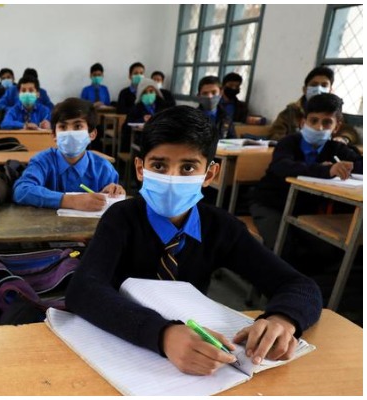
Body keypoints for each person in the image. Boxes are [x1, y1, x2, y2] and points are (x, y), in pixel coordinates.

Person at [66, 105, 322, 376]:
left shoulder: (220, 227)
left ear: (209, 175)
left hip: (193, 353)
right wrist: (163, 334)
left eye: (188, 167)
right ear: (140, 168)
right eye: (159, 165)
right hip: (118, 341)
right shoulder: (121, 218)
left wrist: (282, 319)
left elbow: (300, 285)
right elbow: (83, 290)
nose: (172, 178)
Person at [250, 93, 362, 257]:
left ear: (336, 127)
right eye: (314, 121)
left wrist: (352, 165)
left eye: (327, 122)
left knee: (325, 249)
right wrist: (326, 170)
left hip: (305, 211)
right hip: (271, 204)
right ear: (303, 122)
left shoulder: (336, 149)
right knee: (282, 245)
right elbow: (283, 167)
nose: (319, 127)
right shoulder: (288, 143)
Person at [13, 98, 124, 210]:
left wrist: (115, 193)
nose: (70, 133)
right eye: (63, 127)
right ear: (54, 135)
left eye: (78, 126)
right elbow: (21, 190)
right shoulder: (42, 161)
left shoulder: (104, 169)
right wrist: (71, 200)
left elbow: (113, 209)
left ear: (92, 134)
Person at [268, 66, 359, 145]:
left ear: (331, 90)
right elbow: (275, 135)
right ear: (305, 89)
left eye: (324, 85)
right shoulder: (291, 111)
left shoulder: (333, 112)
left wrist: (343, 139)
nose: (319, 89)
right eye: (314, 85)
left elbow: (349, 132)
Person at [120, 77, 172, 149]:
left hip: (160, 136)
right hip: (140, 137)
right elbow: (127, 124)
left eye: (151, 91)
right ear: (140, 94)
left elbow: (169, 120)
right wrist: (142, 119)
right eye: (145, 92)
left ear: (156, 92)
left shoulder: (163, 105)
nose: (148, 94)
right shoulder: (136, 107)